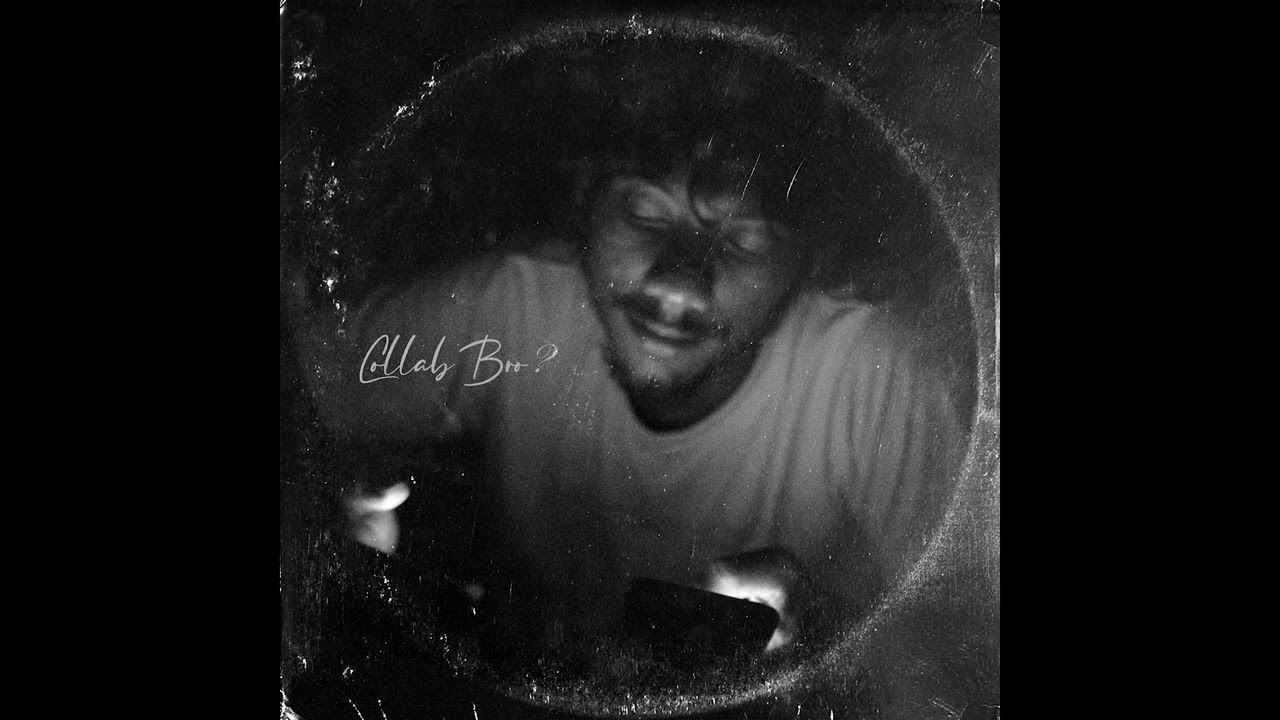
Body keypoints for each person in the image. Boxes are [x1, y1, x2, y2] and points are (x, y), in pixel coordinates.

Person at [287, 43, 971, 656]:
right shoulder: (512, 307)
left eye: (744, 242)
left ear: (804, 268)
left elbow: (971, 638)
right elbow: (300, 390)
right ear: (585, 209)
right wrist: (321, 521)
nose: (677, 284)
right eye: (645, 213)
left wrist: (832, 645)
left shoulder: (872, 373)